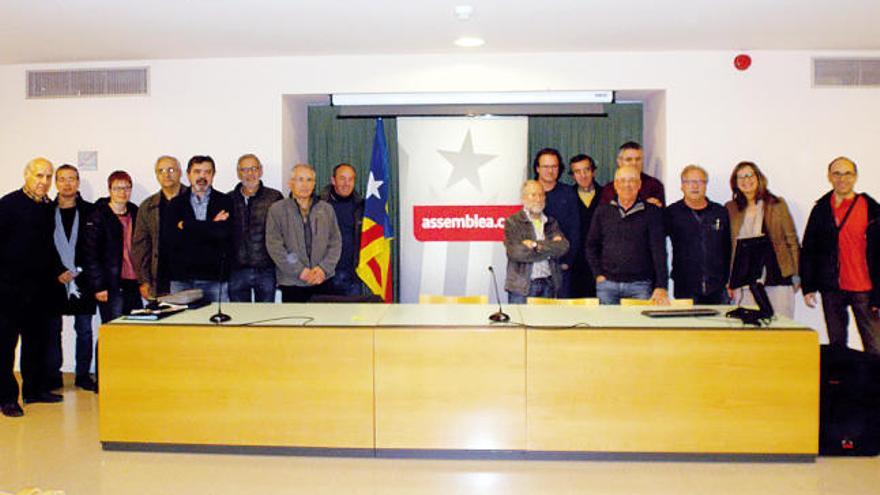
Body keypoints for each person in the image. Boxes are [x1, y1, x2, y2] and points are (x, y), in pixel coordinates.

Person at [1, 158, 69, 417]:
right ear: (27, 175)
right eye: (39, 176)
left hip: (38, 289)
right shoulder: (8, 205)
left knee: (36, 342)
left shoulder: (45, 207)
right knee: (5, 346)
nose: (44, 182)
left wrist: (59, 268)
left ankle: (34, 390)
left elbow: (45, 246)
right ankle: (7, 398)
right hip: (9, 290)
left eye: (48, 177)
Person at [801, 156, 880, 355]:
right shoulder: (821, 209)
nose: (842, 178)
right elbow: (809, 248)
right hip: (832, 289)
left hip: (865, 289)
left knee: (875, 347)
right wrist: (808, 286)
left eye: (848, 173)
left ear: (855, 177)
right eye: (837, 173)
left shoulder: (871, 208)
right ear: (829, 176)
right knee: (837, 349)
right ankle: (844, 386)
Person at [725, 161, 800, 318]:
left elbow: (791, 240)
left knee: (781, 324)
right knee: (750, 329)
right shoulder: (731, 208)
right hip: (745, 279)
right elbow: (728, 247)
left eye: (750, 175)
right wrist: (730, 280)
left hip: (776, 274)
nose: (746, 180)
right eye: (741, 177)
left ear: (758, 177)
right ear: (735, 183)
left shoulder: (777, 204)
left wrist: (797, 274)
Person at [587, 165, 669, 305]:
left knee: (638, 326)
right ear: (616, 185)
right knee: (607, 326)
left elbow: (659, 251)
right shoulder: (602, 211)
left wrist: (661, 285)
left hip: (640, 286)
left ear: (639, 185)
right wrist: (598, 274)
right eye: (622, 180)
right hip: (607, 285)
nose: (627, 185)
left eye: (632, 180)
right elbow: (591, 245)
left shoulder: (652, 212)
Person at [50, 164, 98, 392]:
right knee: (52, 330)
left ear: (78, 182)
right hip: (54, 280)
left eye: (72, 179)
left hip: (84, 279)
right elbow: (40, 247)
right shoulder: (45, 212)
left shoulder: (90, 211)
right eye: (62, 179)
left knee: (85, 329)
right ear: (55, 183)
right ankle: (53, 374)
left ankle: (82, 375)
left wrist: (81, 269)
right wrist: (56, 271)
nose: (67, 184)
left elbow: (96, 246)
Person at [266, 164, 341, 302]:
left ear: (314, 184)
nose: (305, 185)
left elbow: (335, 242)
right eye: (300, 179)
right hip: (292, 281)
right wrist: (300, 271)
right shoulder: (277, 210)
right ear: (290, 183)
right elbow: (274, 246)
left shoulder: (326, 209)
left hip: (322, 279)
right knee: (295, 321)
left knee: (324, 321)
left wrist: (323, 269)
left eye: (309, 180)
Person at [168, 155, 234, 302]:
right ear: (188, 175)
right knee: (181, 323)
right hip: (181, 278)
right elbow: (173, 238)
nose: (202, 176)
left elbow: (222, 233)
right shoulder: (175, 204)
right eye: (197, 172)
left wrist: (186, 225)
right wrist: (212, 224)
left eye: (207, 172)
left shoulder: (225, 201)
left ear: (213, 175)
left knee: (215, 323)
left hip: (214, 277)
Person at [664, 165, 731, 304]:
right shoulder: (671, 213)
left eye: (700, 181)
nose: (695, 186)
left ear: (706, 185)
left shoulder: (720, 212)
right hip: (685, 287)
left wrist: (731, 280)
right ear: (682, 186)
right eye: (689, 182)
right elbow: (656, 245)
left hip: (718, 288)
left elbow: (728, 248)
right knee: (689, 325)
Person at [83, 171, 143, 323]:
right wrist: (99, 286)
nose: (123, 192)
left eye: (127, 188)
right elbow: (90, 255)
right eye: (117, 188)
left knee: (135, 329)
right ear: (109, 190)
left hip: (133, 283)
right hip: (111, 283)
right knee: (113, 331)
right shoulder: (98, 216)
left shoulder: (136, 213)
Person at [503, 180, 570, 304]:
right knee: (521, 323)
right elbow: (516, 252)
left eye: (541, 195)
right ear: (523, 198)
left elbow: (563, 247)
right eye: (533, 195)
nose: (538, 199)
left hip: (549, 285)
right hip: (522, 288)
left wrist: (535, 245)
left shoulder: (551, 222)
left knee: (545, 323)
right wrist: (550, 248)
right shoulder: (513, 222)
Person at [228, 154, 283, 302]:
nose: (250, 174)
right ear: (238, 173)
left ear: (261, 171)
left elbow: (281, 234)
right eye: (245, 170)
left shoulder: (274, 197)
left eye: (254, 168)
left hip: (265, 269)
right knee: (238, 318)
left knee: (264, 317)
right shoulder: (228, 199)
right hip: (237, 269)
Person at [132, 156, 188, 300]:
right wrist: (144, 280)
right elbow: (140, 246)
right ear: (156, 175)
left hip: (190, 278)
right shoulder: (148, 206)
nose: (166, 174)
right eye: (161, 171)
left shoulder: (194, 199)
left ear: (180, 172)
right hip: (160, 278)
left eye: (171, 169)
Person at [533, 148, 579, 297]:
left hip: (561, 266)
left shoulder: (568, 193)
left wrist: (568, 261)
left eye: (554, 166)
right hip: (533, 267)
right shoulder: (528, 192)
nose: (550, 171)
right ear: (537, 168)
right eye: (546, 166)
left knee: (560, 315)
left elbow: (575, 230)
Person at [319, 163, 365, 297]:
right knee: (325, 317)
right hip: (324, 274)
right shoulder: (318, 205)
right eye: (342, 178)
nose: (347, 183)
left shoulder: (362, 206)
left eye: (351, 179)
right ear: (333, 180)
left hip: (352, 276)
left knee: (352, 317)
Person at [568, 154, 604, 297]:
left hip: (601, 266)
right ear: (572, 176)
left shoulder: (606, 195)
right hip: (574, 267)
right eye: (577, 171)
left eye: (586, 170)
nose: (583, 175)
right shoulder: (567, 196)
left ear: (593, 171)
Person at [599, 141, 665, 207]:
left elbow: (660, 214)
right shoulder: (609, 190)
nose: (634, 163)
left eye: (638, 159)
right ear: (619, 162)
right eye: (629, 159)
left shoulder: (654, 186)